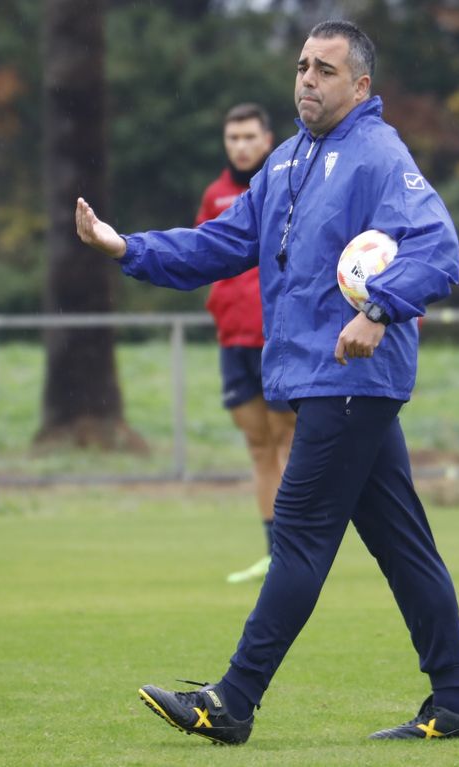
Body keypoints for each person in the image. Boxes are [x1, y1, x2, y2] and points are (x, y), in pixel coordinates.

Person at [75, 20, 459, 744]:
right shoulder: (287, 161)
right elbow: (223, 243)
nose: (306, 79)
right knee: (403, 545)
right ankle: (458, 700)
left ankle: (232, 699)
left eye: (325, 69)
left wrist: (382, 308)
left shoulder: (377, 155)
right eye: (301, 65)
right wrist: (127, 247)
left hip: (350, 380)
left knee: (296, 539)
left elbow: (439, 247)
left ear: (360, 86)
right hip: (322, 382)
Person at [199, 103, 298, 585]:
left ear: (267, 139)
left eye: (248, 137)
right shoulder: (215, 196)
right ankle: (271, 550)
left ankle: (296, 552)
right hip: (232, 340)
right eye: (231, 137)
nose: (239, 146)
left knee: (288, 442)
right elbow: (202, 252)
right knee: (259, 448)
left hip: (275, 338)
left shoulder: (286, 184)